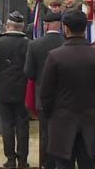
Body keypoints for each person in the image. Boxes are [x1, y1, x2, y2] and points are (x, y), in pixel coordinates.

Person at [40, 9, 95, 169]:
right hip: (88, 117)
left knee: (64, 165)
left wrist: (52, 113)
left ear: (65, 28)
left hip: (62, 120)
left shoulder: (55, 56)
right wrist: (94, 109)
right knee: (87, 164)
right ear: (85, 28)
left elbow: (46, 93)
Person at [0, 11, 30, 169]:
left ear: (8, 26)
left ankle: (10, 159)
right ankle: (22, 160)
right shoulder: (29, 44)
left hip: (3, 89)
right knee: (22, 125)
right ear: (21, 27)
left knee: (7, 124)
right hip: (23, 89)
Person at [24, 11, 64, 169]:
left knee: (45, 133)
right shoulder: (66, 42)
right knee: (64, 132)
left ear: (45, 25)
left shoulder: (35, 45)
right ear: (60, 25)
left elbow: (29, 73)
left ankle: (46, 163)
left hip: (43, 95)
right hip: (65, 97)